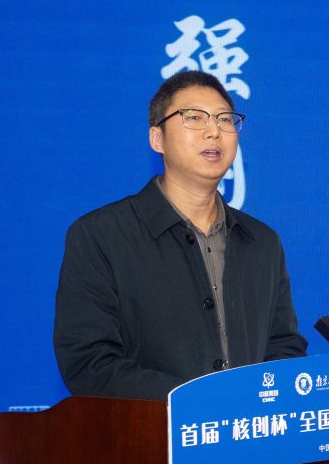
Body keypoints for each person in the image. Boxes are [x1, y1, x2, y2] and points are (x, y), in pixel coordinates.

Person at [54, 70, 306, 398]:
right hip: (147, 429)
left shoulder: (262, 242)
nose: (214, 131)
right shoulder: (101, 236)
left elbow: (283, 347)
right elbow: (88, 364)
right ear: (157, 139)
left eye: (225, 119)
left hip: (246, 429)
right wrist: (196, 402)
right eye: (194, 118)